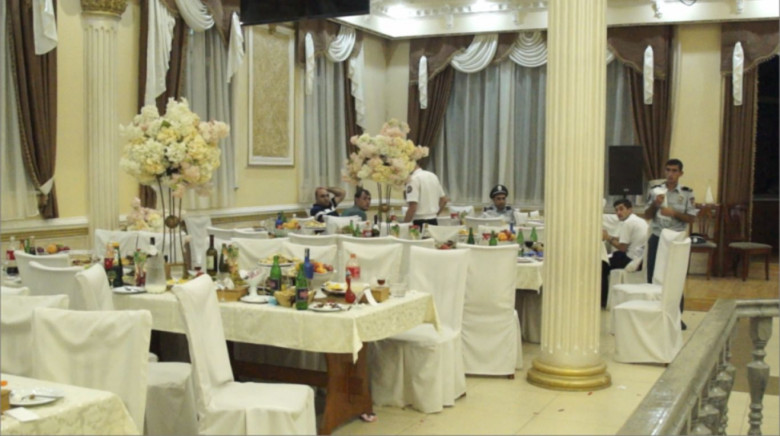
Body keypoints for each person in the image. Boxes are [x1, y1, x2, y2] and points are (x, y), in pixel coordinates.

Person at [643, 158, 696, 328]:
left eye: (674, 171)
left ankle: (676, 317)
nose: (670, 174)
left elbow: (691, 218)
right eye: (668, 170)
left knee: (675, 278)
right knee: (653, 276)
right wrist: (655, 204)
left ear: (680, 173)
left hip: (676, 239)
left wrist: (673, 213)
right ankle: (654, 316)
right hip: (657, 237)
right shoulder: (655, 191)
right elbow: (647, 215)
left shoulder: (687, 193)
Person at [600, 198, 648, 308]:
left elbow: (622, 248)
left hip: (630, 259)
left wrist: (607, 238)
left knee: (602, 264)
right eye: (616, 210)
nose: (618, 213)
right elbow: (623, 240)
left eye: (621, 209)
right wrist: (610, 237)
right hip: (638, 258)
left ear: (630, 209)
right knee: (609, 258)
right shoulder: (638, 220)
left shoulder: (628, 223)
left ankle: (603, 300)